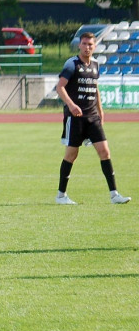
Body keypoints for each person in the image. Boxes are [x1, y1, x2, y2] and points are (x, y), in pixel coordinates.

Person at [54, 31, 131, 205]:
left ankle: (114, 194)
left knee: (105, 152)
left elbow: (95, 88)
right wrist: (71, 105)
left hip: (93, 117)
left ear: (95, 46)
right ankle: (61, 195)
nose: (87, 47)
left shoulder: (96, 64)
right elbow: (60, 87)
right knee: (71, 155)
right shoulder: (72, 64)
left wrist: (100, 111)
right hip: (75, 118)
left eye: (90, 44)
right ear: (79, 45)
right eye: (84, 44)